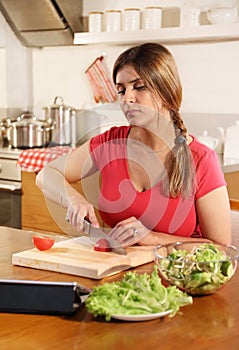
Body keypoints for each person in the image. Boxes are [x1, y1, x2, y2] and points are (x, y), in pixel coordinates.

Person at [36, 43, 231, 247]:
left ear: (166, 91)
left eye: (139, 87)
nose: (127, 98)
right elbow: (46, 174)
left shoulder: (201, 159)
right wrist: (73, 199)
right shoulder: (111, 143)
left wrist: (153, 239)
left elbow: (222, 248)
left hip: (179, 275)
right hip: (118, 272)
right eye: (121, 90)